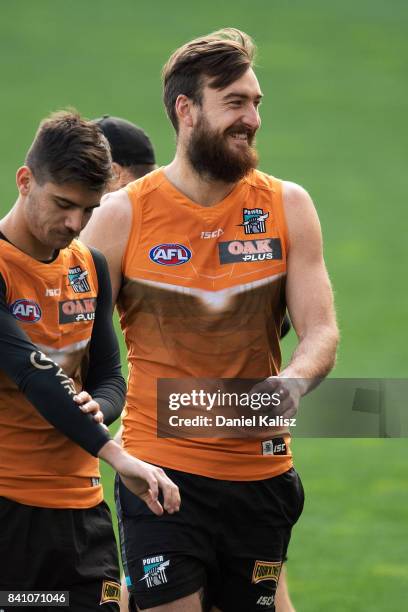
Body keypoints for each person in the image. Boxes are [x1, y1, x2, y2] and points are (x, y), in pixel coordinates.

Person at [83, 28, 338, 612]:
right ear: (186, 110)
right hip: (160, 472)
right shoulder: (122, 217)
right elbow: (74, 342)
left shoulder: (287, 205)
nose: (251, 117)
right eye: (235, 103)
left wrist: (295, 380)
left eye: (256, 103)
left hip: (262, 471)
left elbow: (320, 329)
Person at [94, 114, 295, 612]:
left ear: (116, 173)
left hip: (244, 459)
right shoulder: (125, 218)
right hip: (169, 456)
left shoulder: (134, 217)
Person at [0, 110, 180, 611]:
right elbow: (30, 373)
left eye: (88, 209)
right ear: (25, 180)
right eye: (62, 205)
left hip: (83, 514)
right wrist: (117, 455)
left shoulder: (90, 266)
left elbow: (108, 375)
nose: (74, 224)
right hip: (10, 512)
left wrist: (99, 406)